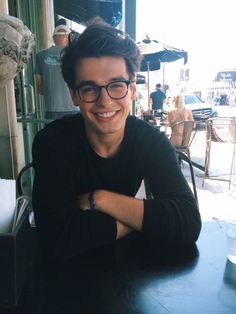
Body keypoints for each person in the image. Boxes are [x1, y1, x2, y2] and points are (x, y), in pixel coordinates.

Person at [32, 19, 201, 261]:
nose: (105, 101)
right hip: (66, 281)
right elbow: (54, 237)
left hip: (132, 279)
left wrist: (99, 200)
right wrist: (140, 218)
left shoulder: (150, 141)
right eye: (90, 89)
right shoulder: (53, 143)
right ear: (74, 95)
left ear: (132, 89)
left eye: (116, 85)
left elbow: (188, 222)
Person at [34, 25, 79, 120]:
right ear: (68, 37)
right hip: (74, 108)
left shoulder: (40, 56)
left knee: (52, 135)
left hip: (52, 109)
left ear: (54, 38)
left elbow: (40, 89)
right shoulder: (77, 55)